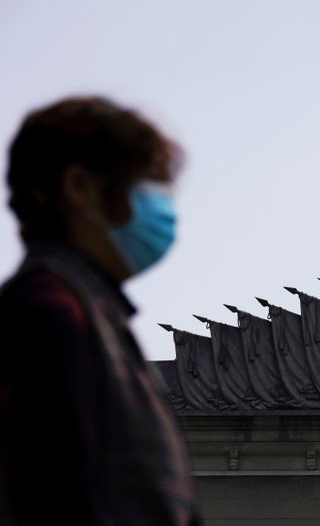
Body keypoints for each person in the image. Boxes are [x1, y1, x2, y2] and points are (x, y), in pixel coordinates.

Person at [0, 97, 200, 524]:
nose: (164, 211)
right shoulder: (49, 312)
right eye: (148, 189)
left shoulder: (95, 314)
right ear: (80, 189)